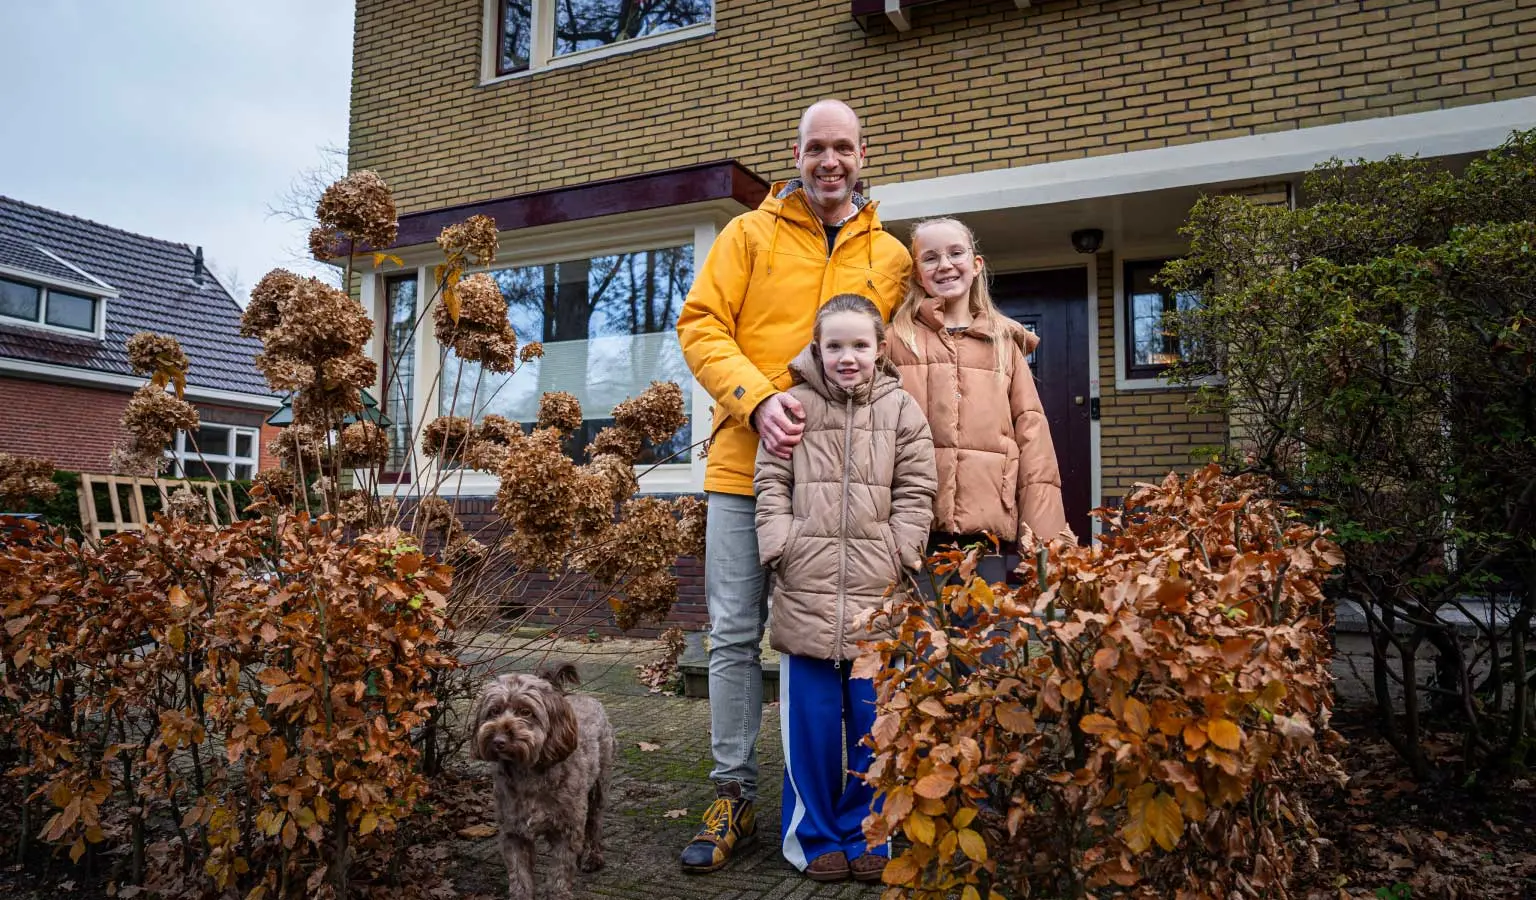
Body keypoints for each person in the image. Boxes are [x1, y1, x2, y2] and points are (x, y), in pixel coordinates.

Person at [674, 100, 911, 874]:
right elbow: (701, 325)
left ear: (863, 154)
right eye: (817, 148)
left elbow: (917, 353)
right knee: (736, 634)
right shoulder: (749, 235)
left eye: (844, 147)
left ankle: (854, 804)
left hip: (851, 491)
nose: (830, 161)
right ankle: (732, 791)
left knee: (851, 645)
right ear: (798, 155)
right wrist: (757, 397)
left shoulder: (895, 258)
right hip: (748, 468)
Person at [753, 294, 936, 883]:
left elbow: (917, 488)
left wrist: (900, 549)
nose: (848, 356)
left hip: (877, 593)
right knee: (807, 726)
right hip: (805, 590)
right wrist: (782, 541)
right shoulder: (795, 405)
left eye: (860, 345)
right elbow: (771, 479)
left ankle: (870, 835)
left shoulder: (902, 409)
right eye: (835, 345)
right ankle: (814, 836)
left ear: (880, 349)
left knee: (872, 723)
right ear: (817, 349)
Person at [886, 217, 1068, 594]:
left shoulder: (1004, 345)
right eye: (930, 258)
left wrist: (1046, 542)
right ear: (918, 274)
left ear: (976, 264)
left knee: (985, 648)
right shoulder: (895, 342)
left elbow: (1032, 438)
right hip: (913, 528)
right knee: (921, 646)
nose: (945, 265)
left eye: (956, 253)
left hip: (986, 534)